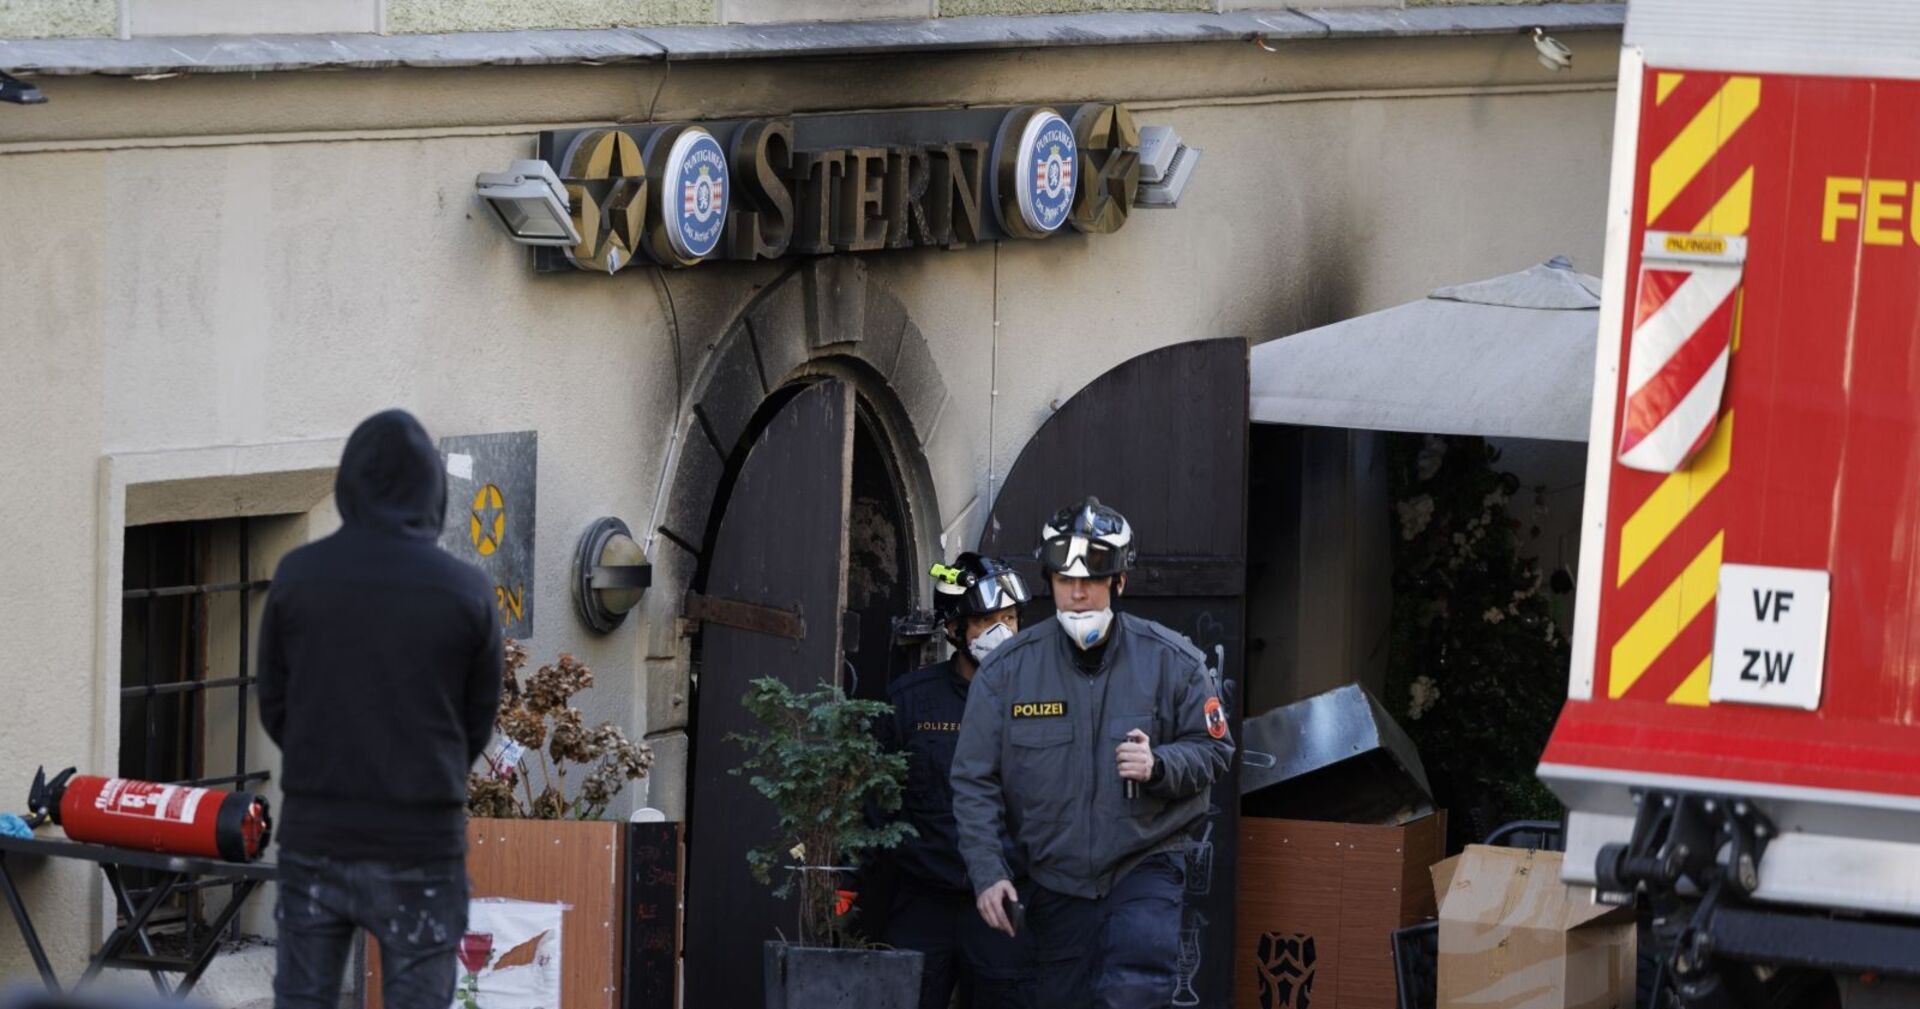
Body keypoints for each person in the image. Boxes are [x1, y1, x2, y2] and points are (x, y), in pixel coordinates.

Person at [257, 409, 504, 1009]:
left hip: (317, 836)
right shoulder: (467, 592)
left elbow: (274, 706)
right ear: (433, 493)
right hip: (421, 845)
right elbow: (474, 725)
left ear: (349, 485)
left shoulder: (297, 575)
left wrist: (330, 760)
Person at [951, 498, 1234, 1009]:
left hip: (1142, 863)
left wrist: (1161, 765)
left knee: (1131, 991)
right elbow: (974, 782)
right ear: (1049, 582)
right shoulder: (1006, 673)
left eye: (1093, 579)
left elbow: (1215, 751)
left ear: (1119, 582)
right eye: (1064, 580)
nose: (1078, 593)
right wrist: (988, 872)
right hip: (1053, 879)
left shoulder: (1175, 661)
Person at [877, 554, 1038, 1009]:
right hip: (923, 901)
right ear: (953, 629)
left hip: (1006, 902)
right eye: (987, 619)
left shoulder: (1042, 701)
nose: (1002, 631)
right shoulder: (911, 701)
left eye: (1010, 618)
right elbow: (879, 805)